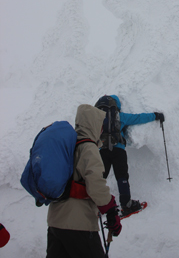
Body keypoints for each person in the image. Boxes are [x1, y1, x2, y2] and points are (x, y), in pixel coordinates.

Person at [46, 104, 122, 258]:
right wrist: (110, 208)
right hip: (78, 225)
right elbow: (95, 183)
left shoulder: (68, 145)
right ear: (93, 124)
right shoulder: (88, 147)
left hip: (55, 222)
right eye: (100, 125)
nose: (101, 129)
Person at [95, 94, 164, 217]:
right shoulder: (120, 116)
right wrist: (156, 115)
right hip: (118, 151)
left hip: (103, 151)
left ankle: (94, 205)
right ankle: (126, 205)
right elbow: (138, 118)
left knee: (100, 178)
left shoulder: (98, 119)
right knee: (122, 177)